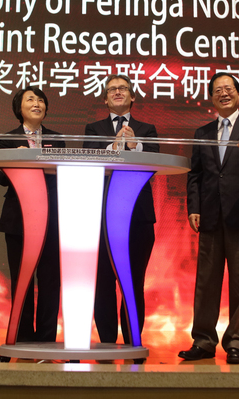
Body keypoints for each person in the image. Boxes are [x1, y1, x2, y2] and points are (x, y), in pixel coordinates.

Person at [179, 72, 239, 364]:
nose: (223, 93)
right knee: (206, 282)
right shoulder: (203, 132)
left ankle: (235, 343)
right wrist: (193, 207)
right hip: (209, 216)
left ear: (238, 94)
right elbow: (195, 174)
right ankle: (204, 342)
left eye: (228, 88)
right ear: (211, 98)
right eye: (217, 90)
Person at [83, 74, 159, 345]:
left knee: (133, 281)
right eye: (112, 89)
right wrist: (115, 146)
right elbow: (88, 159)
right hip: (101, 217)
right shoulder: (93, 128)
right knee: (103, 281)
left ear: (132, 96)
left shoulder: (147, 128)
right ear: (105, 99)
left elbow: (153, 162)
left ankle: (132, 341)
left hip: (138, 216)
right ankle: (105, 343)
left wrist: (134, 144)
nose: (118, 92)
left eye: (123, 88)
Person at [0, 87, 65, 342]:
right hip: (19, 220)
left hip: (51, 218)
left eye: (41, 100)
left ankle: (46, 337)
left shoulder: (57, 139)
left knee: (50, 279)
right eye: (30, 99)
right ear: (19, 108)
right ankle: (23, 337)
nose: (37, 103)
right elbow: (1, 177)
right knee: (22, 279)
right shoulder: (8, 138)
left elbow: (62, 175)